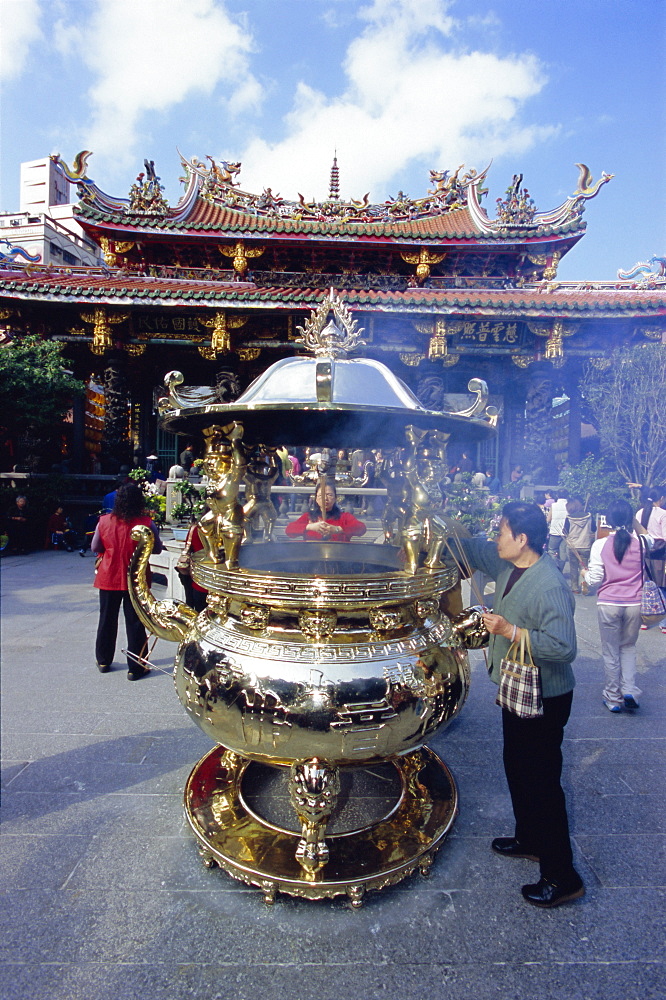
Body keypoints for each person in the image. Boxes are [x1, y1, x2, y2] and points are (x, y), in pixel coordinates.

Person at [455, 500, 583, 908]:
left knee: (542, 781)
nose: (497, 539)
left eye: (502, 532)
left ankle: (562, 876)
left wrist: (510, 630)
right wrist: (444, 528)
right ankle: (529, 838)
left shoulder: (549, 584)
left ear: (522, 539)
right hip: (516, 688)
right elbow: (474, 549)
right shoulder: (509, 565)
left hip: (546, 694)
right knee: (516, 763)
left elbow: (564, 648)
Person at [584, 499, 651, 712]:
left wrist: (584, 574)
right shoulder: (641, 542)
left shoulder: (600, 545)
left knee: (611, 651)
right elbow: (650, 536)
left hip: (609, 604)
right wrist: (633, 520)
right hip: (635, 604)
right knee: (628, 647)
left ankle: (613, 697)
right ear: (630, 518)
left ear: (608, 520)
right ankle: (629, 689)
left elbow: (594, 579)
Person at [91, 482, 163, 680]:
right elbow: (156, 548)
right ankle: (136, 666)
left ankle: (104, 660)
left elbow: (95, 546)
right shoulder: (147, 523)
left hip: (109, 575)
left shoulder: (104, 521)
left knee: (106, 619)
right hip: (136, 579)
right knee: (136, 622)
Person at [285, 483, 366, 542]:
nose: (325, 499)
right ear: (316, 498)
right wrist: (309, 527)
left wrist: (337, 529)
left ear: (335, 498)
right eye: (321, 496)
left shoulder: (344, 517)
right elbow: (289, 530)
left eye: (329, 495)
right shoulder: (308, 517)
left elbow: (361, 528)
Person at [562, 496, 595, 594]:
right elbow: (594, 529)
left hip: (573, 546)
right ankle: (584, 585)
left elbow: (565, 531)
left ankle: (575, 588)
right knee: (584, 567)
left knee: (573, 568)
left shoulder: (569, 518)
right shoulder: (589, 517)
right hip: (585, 545)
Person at [547, 491, 569, 571]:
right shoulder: (569, 506)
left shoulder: (554, 505)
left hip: (554, 531)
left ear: (557, 495)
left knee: (552, 550)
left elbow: (548, 519)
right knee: (563, 551)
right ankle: (561, 569)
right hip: (565, 532)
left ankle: (555, 568)